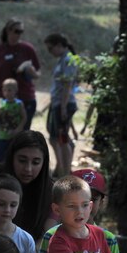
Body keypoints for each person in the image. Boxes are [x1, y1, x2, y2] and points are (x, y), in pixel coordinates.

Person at [0, 18, 41, 164]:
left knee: (21, 137)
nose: (19, 34)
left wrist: (31, 72)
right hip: (2, 99)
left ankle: (15, 168)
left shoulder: (28, 49)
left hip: (25, 98)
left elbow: (38, 73)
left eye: (21, 31)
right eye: (17, 31)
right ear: (8, 31)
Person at [44, 33, 79, 177]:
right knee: (54, 137)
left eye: (50, 48)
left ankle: (65, 174)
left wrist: (63, 107)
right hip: (57, 104)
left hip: (64, 104)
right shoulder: (62, 60)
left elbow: (68, 84)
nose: (49, 52)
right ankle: (61, 168)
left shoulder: (68, 59)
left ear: (59, 45)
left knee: (62, 139)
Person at [0, 78, 26, 163]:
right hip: (2, 135)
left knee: (13, 156)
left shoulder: (19, 103)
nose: (6, 93)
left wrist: (19, 129)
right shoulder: (1, 103)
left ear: (15, 90)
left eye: (9, 90)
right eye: (4, 90)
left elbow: (24, 117)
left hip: (14, 135)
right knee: (0, 157)